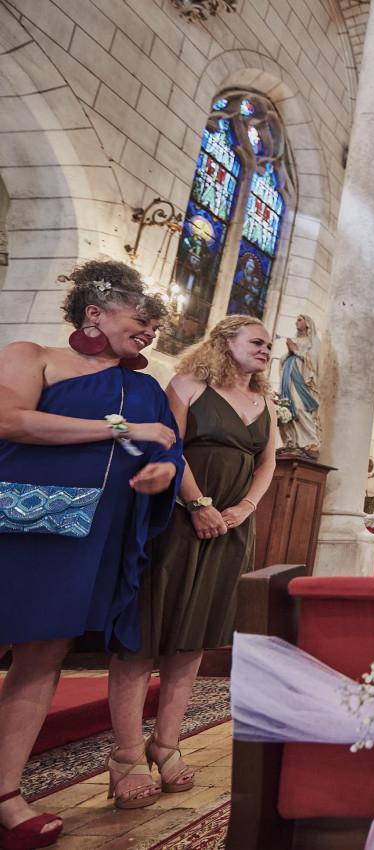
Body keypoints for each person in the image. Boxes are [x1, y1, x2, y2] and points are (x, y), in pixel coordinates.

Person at [0, 260, 182, 845]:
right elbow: (9, 419)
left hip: (86, 535)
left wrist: (162, 470)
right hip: (15, 523)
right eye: (141, 318)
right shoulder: (33, 356)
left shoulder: (147, 388)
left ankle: (6, 794)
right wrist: (120, 429)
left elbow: (166, 447)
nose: (150, 330)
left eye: (154, 324)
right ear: (95, 313)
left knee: (42, 656)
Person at [108, 316, 277, 810]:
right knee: (146, 631)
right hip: (178, 518)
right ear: (224, 342)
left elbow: (266, 462)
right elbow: (171, 447)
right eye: (258, 342)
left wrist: (244, 508)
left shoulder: (266, 402)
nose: (267, 350)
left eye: (269, 346)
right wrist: (198, 503)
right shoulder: (186, 385)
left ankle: (166, 743)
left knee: (193, 637)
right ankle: (125, 754)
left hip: (232, 526)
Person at [278, 315, 320, 457]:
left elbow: (314, 361)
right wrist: (289, 351)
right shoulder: (294, 340)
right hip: (288, 378)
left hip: (301, 379)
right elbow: (284, 360)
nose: (296, 322)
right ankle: (291, 442)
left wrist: (295, 350)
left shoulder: (312, 341)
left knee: (300, 408)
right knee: (286, 409)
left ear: (307, 323)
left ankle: (311, 443)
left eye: (299, 320)